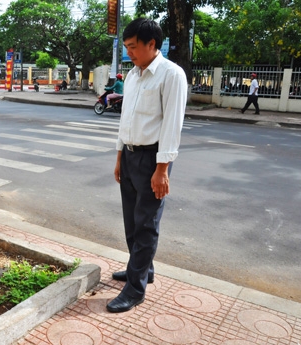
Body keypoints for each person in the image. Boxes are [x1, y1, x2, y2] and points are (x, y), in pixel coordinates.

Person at [107, 18, 187, 313]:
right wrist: (119, 157)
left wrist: (162, 169)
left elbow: (172, 125)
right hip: (129, 156)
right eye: (126, 47)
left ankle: (135, 288)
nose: (129, 53)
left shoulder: (171, 75)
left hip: (153, 159)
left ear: (151, 44)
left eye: (133, 47)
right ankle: (141, 269)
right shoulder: (132, 76)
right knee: (131, 221)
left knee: (146, 224)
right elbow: (125, 120)